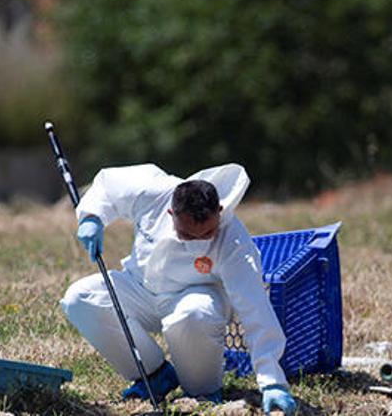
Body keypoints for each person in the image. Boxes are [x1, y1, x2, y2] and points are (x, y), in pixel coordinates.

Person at [60, 163, 297, 414]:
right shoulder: (152, 189)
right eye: (187, 234)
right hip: (140, 288)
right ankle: (154, 374)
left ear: (219, 210)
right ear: (171, 213)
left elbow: (255, 308)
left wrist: (272, 381)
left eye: (207, 233)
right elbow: (109, 186)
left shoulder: (234, 241)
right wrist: (91, 217)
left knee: (194, 314)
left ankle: (202, 390)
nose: (199, 241)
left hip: (196, 299)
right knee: (81, 298)